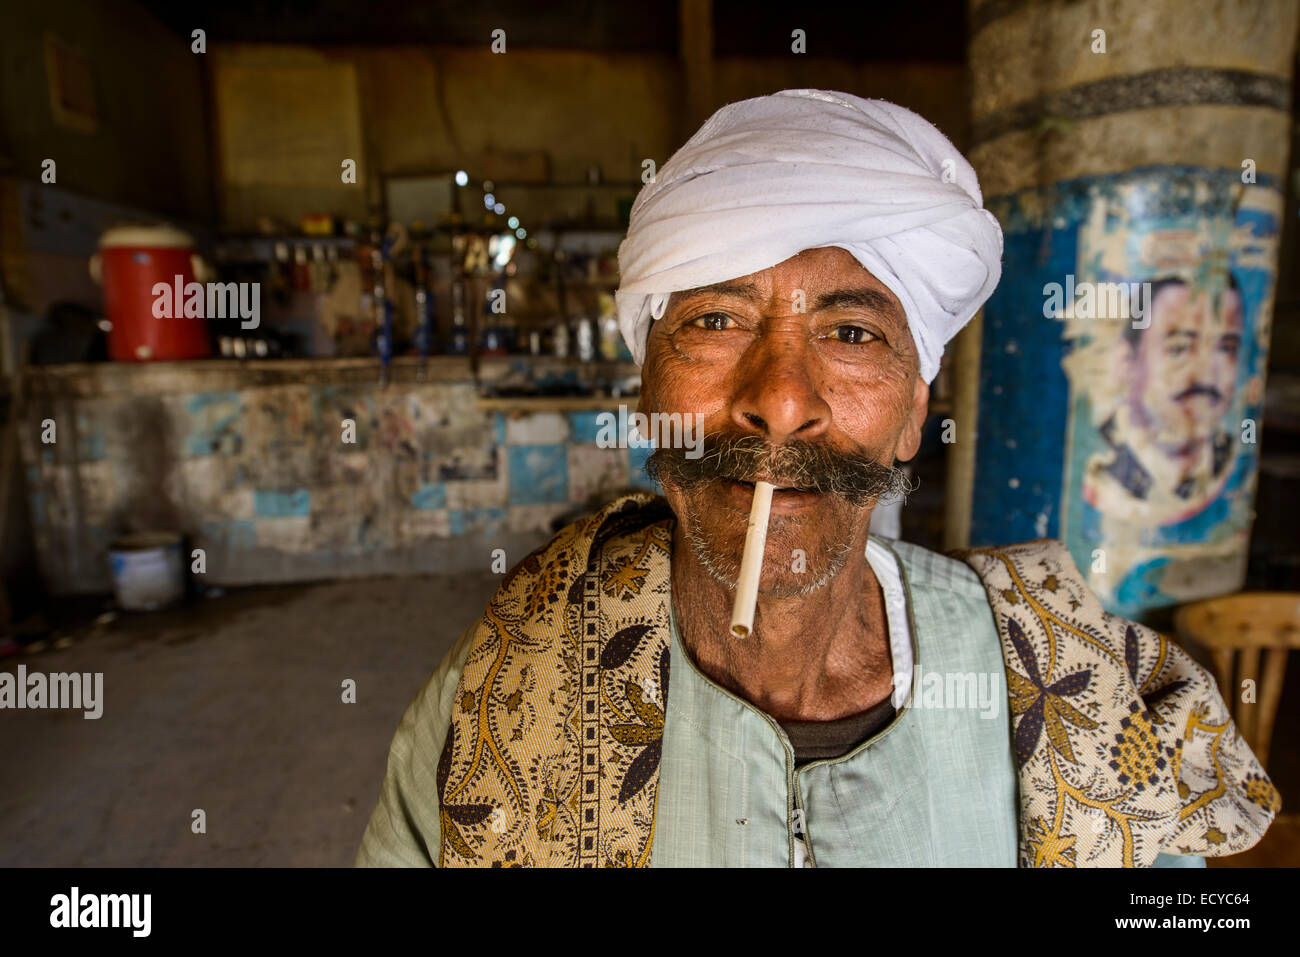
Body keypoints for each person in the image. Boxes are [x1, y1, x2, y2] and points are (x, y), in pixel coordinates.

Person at [357, 90, 1278, 868]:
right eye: (716, 321)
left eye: (851, 334)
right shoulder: (510, 674)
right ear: (648, 391)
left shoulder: (1066, 674)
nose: (782, 400)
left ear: (914, 411)